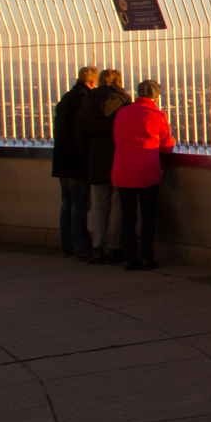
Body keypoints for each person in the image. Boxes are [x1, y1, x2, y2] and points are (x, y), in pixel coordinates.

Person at [110, 79, 175, 271]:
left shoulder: (122, 113)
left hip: (122, 170)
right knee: (148, 215)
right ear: (155, 97)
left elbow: (117, 138)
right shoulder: (157, 115)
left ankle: (130, 258)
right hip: (147, 171)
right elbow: (166, 145)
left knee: (127, 216)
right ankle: (146, 256)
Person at [76, 69, 130, 264]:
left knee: (99, 205)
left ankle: (97, 248)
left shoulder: (87, 103)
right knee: (118, 205)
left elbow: (80, 136)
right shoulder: (123, 102)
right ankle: (116, 247)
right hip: (119, 157)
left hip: (96, 159)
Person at [52, 67, 99, 258]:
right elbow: (82, 134)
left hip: (62, 162)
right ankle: (81, 247)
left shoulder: (66, 99)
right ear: (93, 82)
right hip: (77, 163)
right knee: (80, 206)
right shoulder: (83, 101)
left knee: (67, 205)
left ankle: (68, 246)